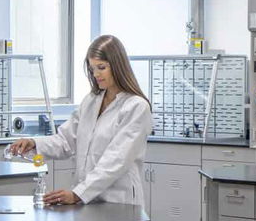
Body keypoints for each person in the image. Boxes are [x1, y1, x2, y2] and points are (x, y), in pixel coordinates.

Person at [10, 34, 153, 206]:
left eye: (101, 67)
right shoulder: (91, 101)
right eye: (92, 68)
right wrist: (34, 143)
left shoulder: (136, 107)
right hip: (87, 200)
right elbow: (65, 141)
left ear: (118, 66)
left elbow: (116, 160)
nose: (96, 74)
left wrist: (78, 194)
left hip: (118, 201)